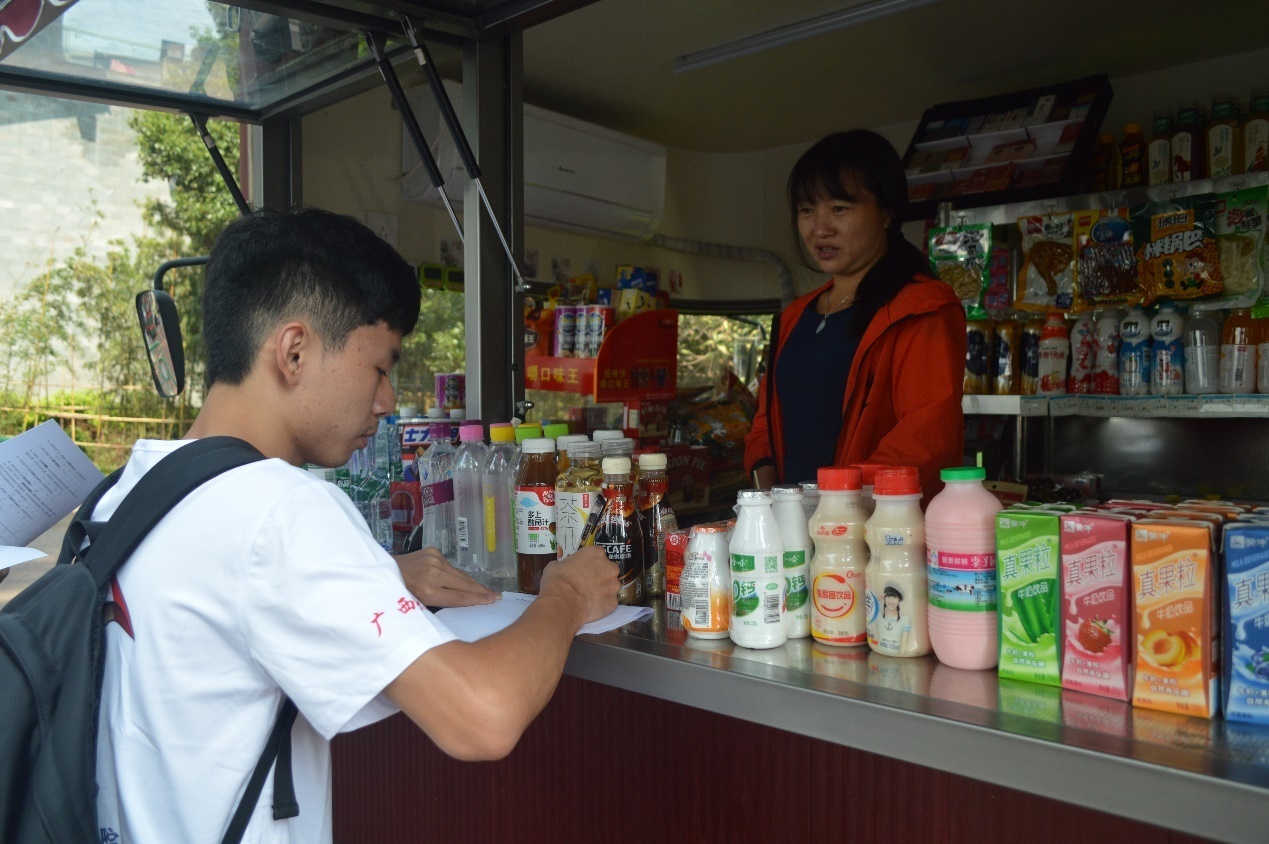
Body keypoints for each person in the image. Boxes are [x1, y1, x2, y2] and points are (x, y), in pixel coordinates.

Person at [92, 208, 619, 843]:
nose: (387, 401)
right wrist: (567, 594)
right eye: (380, 368)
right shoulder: (281, 512)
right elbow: (484, 716)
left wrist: (380, 573)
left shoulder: (129, 490)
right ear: (293, 351)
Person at [744, 130, 965, 503]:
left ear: (887, 212)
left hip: (877, 526)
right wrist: (767, 498)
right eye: (807, 210)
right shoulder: (794, 316)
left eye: (839, 208)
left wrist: (833, 506)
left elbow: (925, 439)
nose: (820, 228)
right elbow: (767, 420)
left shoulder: (921, 308)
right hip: (792, 524)